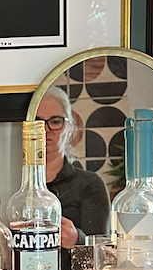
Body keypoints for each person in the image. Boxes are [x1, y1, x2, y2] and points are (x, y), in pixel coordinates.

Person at [35, 85, 110, 247]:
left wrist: (77, 239)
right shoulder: (10, 183)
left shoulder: (90, 184)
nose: (45, 130)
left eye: (55, 121)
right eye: (37, 122)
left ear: (69, 128)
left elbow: (102, 251)